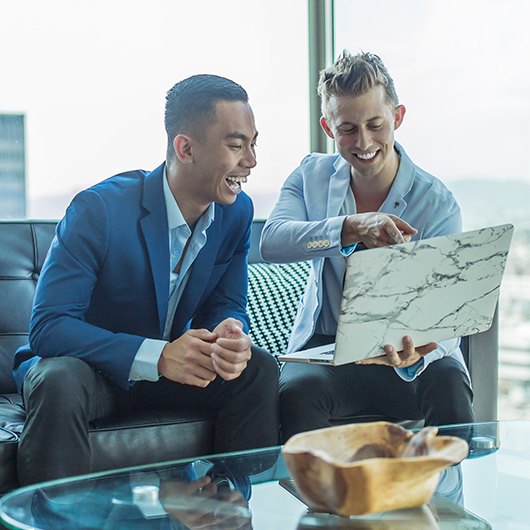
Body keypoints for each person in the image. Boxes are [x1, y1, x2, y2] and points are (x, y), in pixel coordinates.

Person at [14, 74, 280, 485]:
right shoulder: (98, 209)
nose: (251, 160)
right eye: (236, 144)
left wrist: (231, 331)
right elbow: (49, 327)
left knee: (256, 369)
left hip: (168, 374)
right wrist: (156, 356)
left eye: (253, 142)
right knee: (58, 379)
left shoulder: (237, 213)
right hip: (92, 372)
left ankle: (226, 508)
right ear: (186, 148)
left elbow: (226, 303)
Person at [260, 51, 475, 442]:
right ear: (328, 127)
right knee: (296, 391)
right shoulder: (310, 176)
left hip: (408, 354)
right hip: (328, 351)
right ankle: (318, 504)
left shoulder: (437, 202)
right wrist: (350, 228)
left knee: (448, 382)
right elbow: (272, 241)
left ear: (398, 117)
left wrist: (420, 350)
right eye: (347, 129)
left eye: (376, 124)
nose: (364, 142)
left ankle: (449, 501)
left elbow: (448, 314)